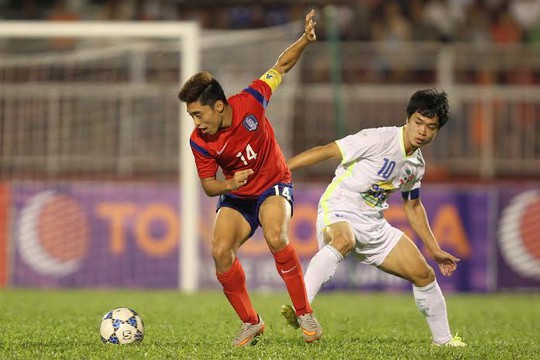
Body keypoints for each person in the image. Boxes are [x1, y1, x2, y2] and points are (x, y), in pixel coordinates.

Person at [178, 9, 322, 347]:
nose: (196, 122)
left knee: (275, 236)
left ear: (218, 106)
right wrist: (229, 185)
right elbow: (208, 186)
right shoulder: (199, 141)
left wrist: (304, 40)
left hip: (273, 183)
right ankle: (251, 322)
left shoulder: (252, 100)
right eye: (191, 116)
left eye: (198, 114)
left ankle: (304, 312)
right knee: (219, 251)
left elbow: (280, 67)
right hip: (237, 194)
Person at [281, 89, 467, 347]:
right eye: (418, 122)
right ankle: (302, 309)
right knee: (343, 239)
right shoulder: (378, 138)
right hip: (340, 206)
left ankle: (444, 341)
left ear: (437, 131)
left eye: (430, 126)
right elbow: (327, 150)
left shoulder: (416, 165)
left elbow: (413, 207)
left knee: (424, 275)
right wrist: (281, 169)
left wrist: (434, 249)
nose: (422, 131)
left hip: (374, 224)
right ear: (408, 119)